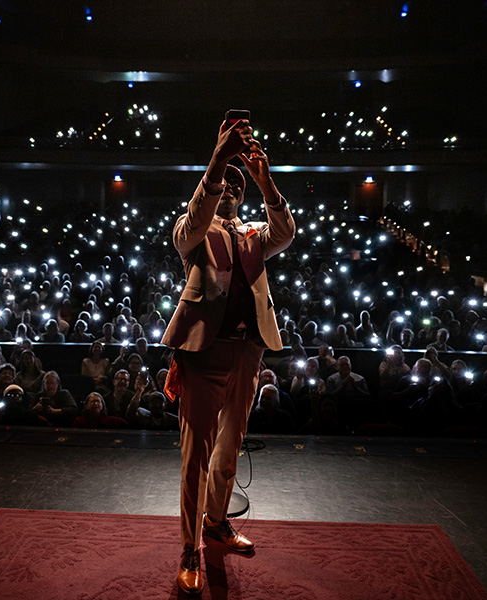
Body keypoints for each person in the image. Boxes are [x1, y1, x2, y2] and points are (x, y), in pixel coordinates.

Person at [160, 114, 295, 595]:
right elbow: (197, 215)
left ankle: (216, 523)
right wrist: (219, 158)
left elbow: (286, 232)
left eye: (239, 184)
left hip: (247, 351)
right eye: (225, 183)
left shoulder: (255, 234)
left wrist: (265, 181)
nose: (232, 188)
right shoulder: (192, 229)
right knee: (195, 454)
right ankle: (188, 550)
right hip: (204, 351)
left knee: (230, 443)